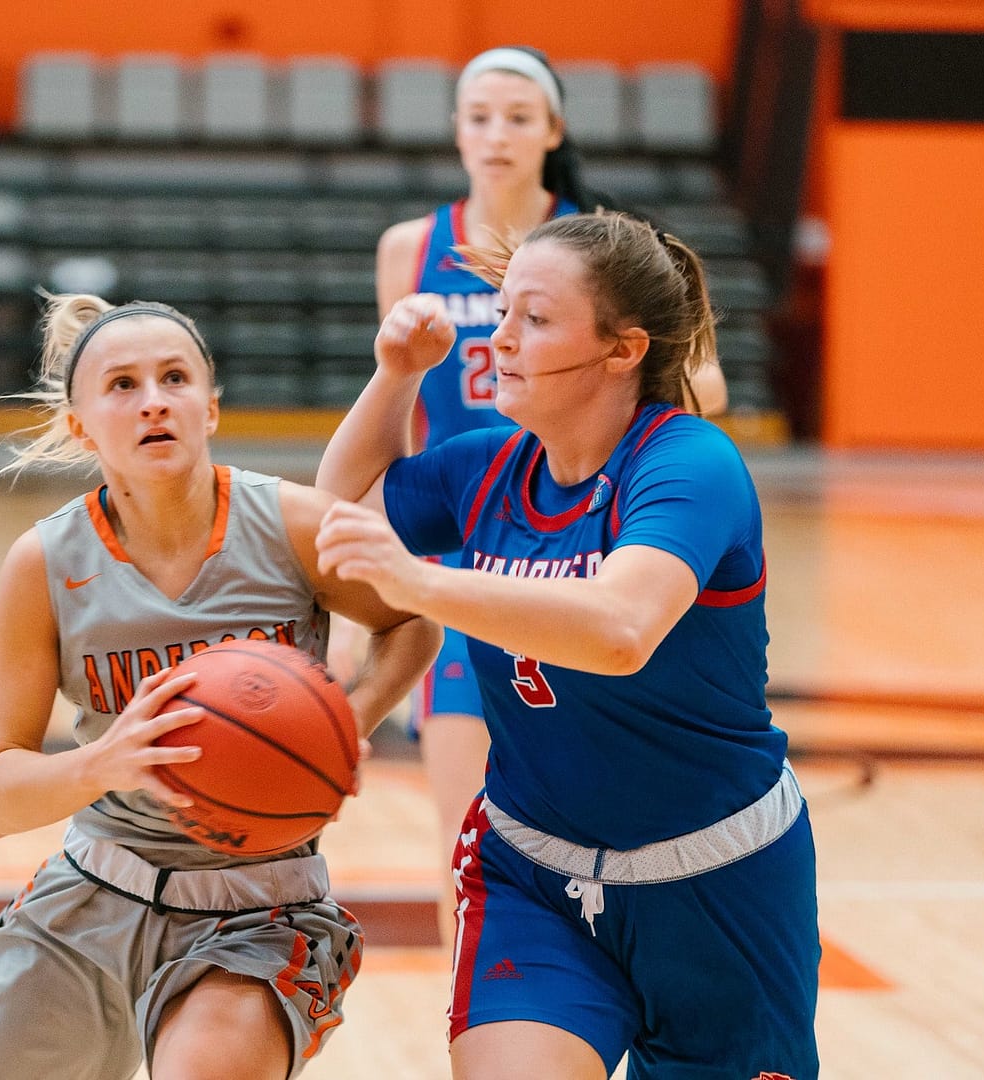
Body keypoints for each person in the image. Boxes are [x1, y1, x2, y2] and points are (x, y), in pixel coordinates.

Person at [313, 212, 819, 1079]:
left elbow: (620, 630)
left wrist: (422, 583)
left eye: (533, 320)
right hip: (533, 876)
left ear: (623, 349)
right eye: (502, 312)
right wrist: (394, 377)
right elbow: (333, 518)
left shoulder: (689, 463)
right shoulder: (485, 467)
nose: (499, 339)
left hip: (719, 884)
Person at [0, 293, 441, 1079]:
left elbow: (413, 618)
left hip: (261, 908)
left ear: (210, 409)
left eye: (175, 378)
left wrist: (350, 720)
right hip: (93, 893)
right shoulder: (45, 563)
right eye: (122, 385)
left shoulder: (291, 523)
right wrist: (100, 764)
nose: (153, 400)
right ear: (83, 425)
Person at [331, 45, 729, 948]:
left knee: (602, 821)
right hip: (461, 537)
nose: (497, 135)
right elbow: (384, 433)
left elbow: (706, 383)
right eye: (478, 116)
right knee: (461, 834)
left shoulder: (598, 249)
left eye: (518, 116)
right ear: (456, 132)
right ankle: (484, 1009)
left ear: (554, 131)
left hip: (587, 536)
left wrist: (622, 384)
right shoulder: (414, 248)